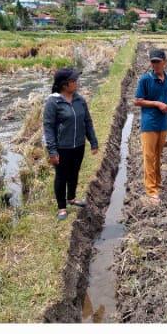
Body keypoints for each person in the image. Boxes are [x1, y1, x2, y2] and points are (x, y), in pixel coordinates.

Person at [43, 66, 99, 220]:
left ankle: (72, 198)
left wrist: (93, 142)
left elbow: (87, 121)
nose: (76, 83)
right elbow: (48, 128)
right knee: (61, 176)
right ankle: (61, 207)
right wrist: (52, 151)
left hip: (78, 145)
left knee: (74, 172)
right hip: (62, 147)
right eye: (73, 80)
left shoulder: (79, 100)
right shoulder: (53, 102)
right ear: (64, 84)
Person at [133, 49, 167, 205]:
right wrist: (157, 104)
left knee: (158, 156)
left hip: (163, 123)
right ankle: (151, 190)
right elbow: (137, 101)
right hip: (149, 123)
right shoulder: (145, 79)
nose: (155, 65)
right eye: (153, 62)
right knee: (149, 157)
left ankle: (157, 183)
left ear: (164, 62)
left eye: (158, 62)